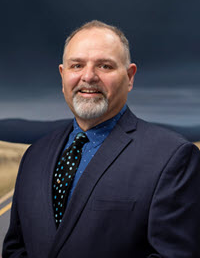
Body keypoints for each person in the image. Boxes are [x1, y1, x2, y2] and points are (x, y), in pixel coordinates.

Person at [2, 20, 200, 258]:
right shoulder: (35, 155)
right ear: (63, 76)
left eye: (105, 66)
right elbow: (15, 248)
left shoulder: (173, 157)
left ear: (129, 77)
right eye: (77, 65)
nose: (88, 76)